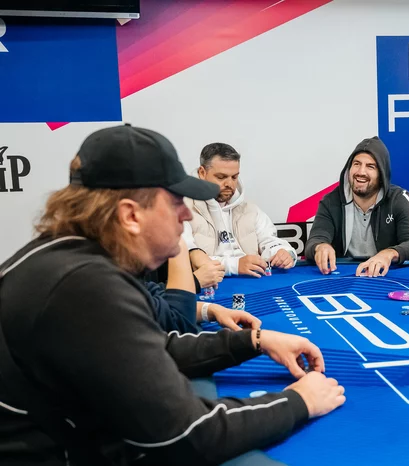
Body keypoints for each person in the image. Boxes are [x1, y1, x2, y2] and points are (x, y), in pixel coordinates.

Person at [0, 125, 345, 466]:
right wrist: (298, 401)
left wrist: (253, 341)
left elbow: (152, 348)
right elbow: (189, 435)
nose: (187, 214)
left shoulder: (77, 257)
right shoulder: (86, 285)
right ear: (130, 215)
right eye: (176, 202)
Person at [305, 136, 409, 277]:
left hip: (386, 275)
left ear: (381, 174)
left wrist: (388, 254)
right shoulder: (331, 201)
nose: (361, 172)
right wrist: (320, 247)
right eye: (356, 164)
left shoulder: (399, 199)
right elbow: (314, 241)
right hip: (344, 275)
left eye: (370, 166)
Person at [184, 143, 297, 278]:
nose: (229, 184)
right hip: (207, 285)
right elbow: (186, 258)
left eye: (234, 177)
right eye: (221, 177)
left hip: (252, 282)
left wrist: (283, 252)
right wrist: (235, 265)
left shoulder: (250, 209)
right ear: (202, 173)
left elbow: (270, 241)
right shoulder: (181, 208)